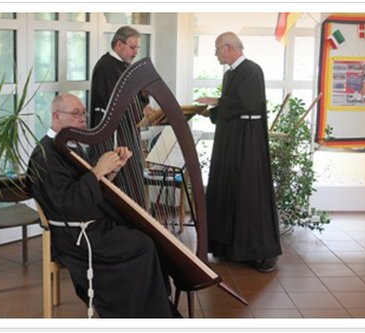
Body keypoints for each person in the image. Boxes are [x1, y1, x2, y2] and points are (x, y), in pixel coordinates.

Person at [26, 94, 179, 317]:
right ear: (56, 116)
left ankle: (153, 308)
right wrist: (98, 171)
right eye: (75, 114)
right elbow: (68, 201)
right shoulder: (45, 155)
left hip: (91, 225)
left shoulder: (68, 146)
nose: (82, 119)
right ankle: (143, 312)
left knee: (147, 237)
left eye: (83, 113)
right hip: (76, 234)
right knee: (144, 245)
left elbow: (86, 187)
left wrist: (112, 170)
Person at [195, 32, 282, 273]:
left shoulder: (252, 70)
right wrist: (211, 112)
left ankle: (261, 252)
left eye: (217, 49)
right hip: (232, 139)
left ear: (230, 47)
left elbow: (246, 104)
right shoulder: (231, 72)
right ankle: (229, 247)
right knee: (228, 189)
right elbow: (231, 105)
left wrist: (216, 102)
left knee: (248, 193)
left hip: (247, 142)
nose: (215, 54)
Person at [89, 25, 155, 210]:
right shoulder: (106, 67)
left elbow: (134, 97)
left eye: (137, 48)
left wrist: (145, 105)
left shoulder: (125, 67)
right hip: (113, 137)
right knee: (121, 188)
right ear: (119, 44)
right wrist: (139, 110)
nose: (136, 52)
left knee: (133, 185)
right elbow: (114, 104)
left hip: (127, 132)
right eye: (133, 47)